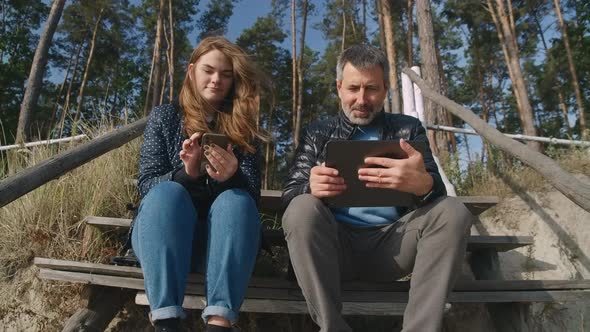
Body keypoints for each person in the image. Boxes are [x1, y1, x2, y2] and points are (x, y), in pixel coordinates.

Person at [281, 44, 473, 332]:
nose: (361, 99)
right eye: (353, 88)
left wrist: (424, 184)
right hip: (334, 248)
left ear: (385, 89)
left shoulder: (408, 129)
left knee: (453, 211)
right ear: (339, 88)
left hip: (393, 247)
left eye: (371, 88)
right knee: (301, 207)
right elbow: (290, 194)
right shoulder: (318, 133)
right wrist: (310, 187)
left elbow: (437, 198)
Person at [130, 36, 265, 332]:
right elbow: (146, 185)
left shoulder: (246, 130)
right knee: (166, 191)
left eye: (226, 74)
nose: (217, 80)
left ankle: (219, 323)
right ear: (192, 71)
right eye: (209, 70)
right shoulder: (165, 118)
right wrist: (186, 173)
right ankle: (166, 321)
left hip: (222, 249)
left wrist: (233, 178)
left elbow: (253, 198)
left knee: (237, 200)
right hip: (163, 243)